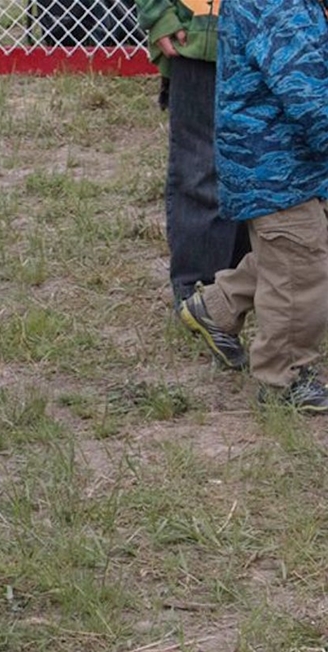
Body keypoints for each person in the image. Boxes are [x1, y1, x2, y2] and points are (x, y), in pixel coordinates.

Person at [177, 0, 328, 411]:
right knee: (299, 269)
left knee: (291, 254)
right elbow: (308, 93)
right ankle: (283, 377)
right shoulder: (278, 7)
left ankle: (216, 308)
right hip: (275, 168)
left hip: (284, 164)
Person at [134, 0, 249, 305]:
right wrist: (159, 15)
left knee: (265, 163)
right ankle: (200, 294)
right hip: (201, 36)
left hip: (283, 39)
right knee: (201, 168)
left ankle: (250, 283)